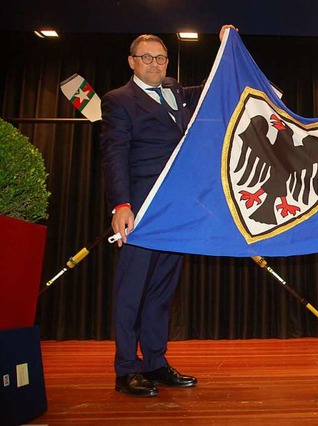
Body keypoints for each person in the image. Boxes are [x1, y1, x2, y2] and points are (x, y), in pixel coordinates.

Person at [100, 25, 237, 397]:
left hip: (177, 211)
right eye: (147, 58)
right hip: (142, 211)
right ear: (132, 62)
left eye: (160, 57)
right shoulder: (118, 100)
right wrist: (122, 205)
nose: (155, 64)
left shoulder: (176, 90)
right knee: (132, 290)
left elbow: (214, 89)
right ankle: (126, 368)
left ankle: (155, 362)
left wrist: (227, 47)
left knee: (162, 290)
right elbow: (114, 154)